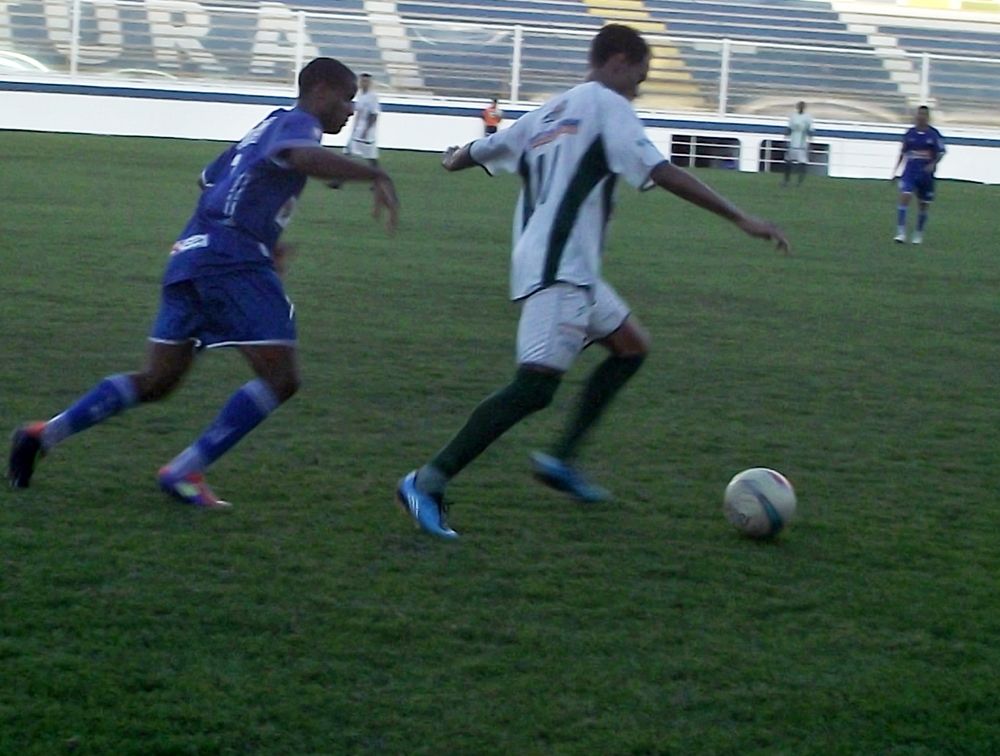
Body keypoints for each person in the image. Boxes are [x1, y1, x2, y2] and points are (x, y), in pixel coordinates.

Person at [395, 24, 789, 540]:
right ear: (620, 61)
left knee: (631, 347)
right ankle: (427, 480)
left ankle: (560, 460)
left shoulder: (546, 112)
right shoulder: (607, 106)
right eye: (639, 79)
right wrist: (742, 218)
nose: (638, 91)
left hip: (564, 268)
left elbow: (481, 149)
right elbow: (662, 171)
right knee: (533, 388)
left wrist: (454, 157)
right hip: (560, 273)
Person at [7, 57, 400, 507]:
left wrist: (261, 238)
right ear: (322, 90)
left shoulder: (266, 125)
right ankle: (185, 470)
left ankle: (43, 433)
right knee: (281, 378)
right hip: (230, 259)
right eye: (347, 98)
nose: (350, 110)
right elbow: (301, 157)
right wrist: (374, 173)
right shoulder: (298, 123)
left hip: (192, 252)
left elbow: (209, 179)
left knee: (157, 379)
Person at [892, 105, 945, 245]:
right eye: (919, 114)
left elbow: (941, 152)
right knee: (905, 197)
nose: (921, 117)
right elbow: (902, 153)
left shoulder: (934, 134)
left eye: (924, 114)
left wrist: (933, 164)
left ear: (928, 117)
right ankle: (901, 232)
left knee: (923, 205)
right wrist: (895, 172)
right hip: (910, 172)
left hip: (926, 176)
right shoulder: (909, 133)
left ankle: (918, 233)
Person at [345, 72, 381, 169]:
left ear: (370, 83)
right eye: (362, 81)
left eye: (366, 81)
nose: (363, 83)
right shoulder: (361, 95)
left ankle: (378, 178)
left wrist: (366, 130)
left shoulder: (372, 97)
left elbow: (374, 114)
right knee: (349, 153)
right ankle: (338, 179)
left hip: (365, 131)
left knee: (370, 157)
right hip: (358, 129)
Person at [783, 101, 813, 187]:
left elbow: (810, 129)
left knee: (802, 163)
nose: (800, 108)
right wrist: (785, 138)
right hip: (793, 143)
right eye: (799, 106)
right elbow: (789, 128)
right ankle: (786, 181)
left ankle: (800, 182)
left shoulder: (808, 117)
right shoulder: (793, 116)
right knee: (788, 162)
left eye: (802, 106)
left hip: (802, 144)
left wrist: (810, 139)